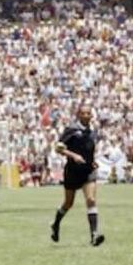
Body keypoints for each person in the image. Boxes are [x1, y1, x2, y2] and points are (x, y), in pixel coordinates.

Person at [50, 103, 105, 246]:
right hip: (72, 171)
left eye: (89, 113)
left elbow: (89, 151)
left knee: (91, 200)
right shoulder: (72, 130)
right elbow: (58, 147)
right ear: (79, 115)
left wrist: (93, 162)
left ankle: (94, 235)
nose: (87, 115)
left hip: (88, 171)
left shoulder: (92, 132)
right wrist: (73, 155)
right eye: (84, 113)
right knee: (68, 203)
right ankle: (56, 224)